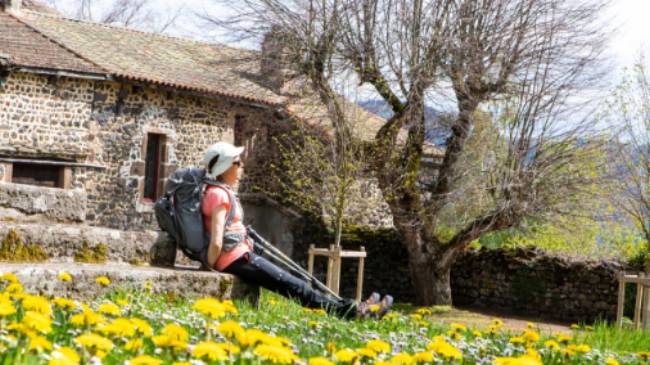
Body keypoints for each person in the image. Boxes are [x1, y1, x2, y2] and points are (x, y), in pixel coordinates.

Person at [200, 142, 393, 319]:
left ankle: (351, 307)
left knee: (296, 282)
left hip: (240, 256)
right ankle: (352, 312)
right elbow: (217, 240)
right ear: (225, 167)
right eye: (237, 162)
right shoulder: (218, 195)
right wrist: (211, 266)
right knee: (293, 285)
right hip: (235, 259)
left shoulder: (218, 192)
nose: (241, 165)